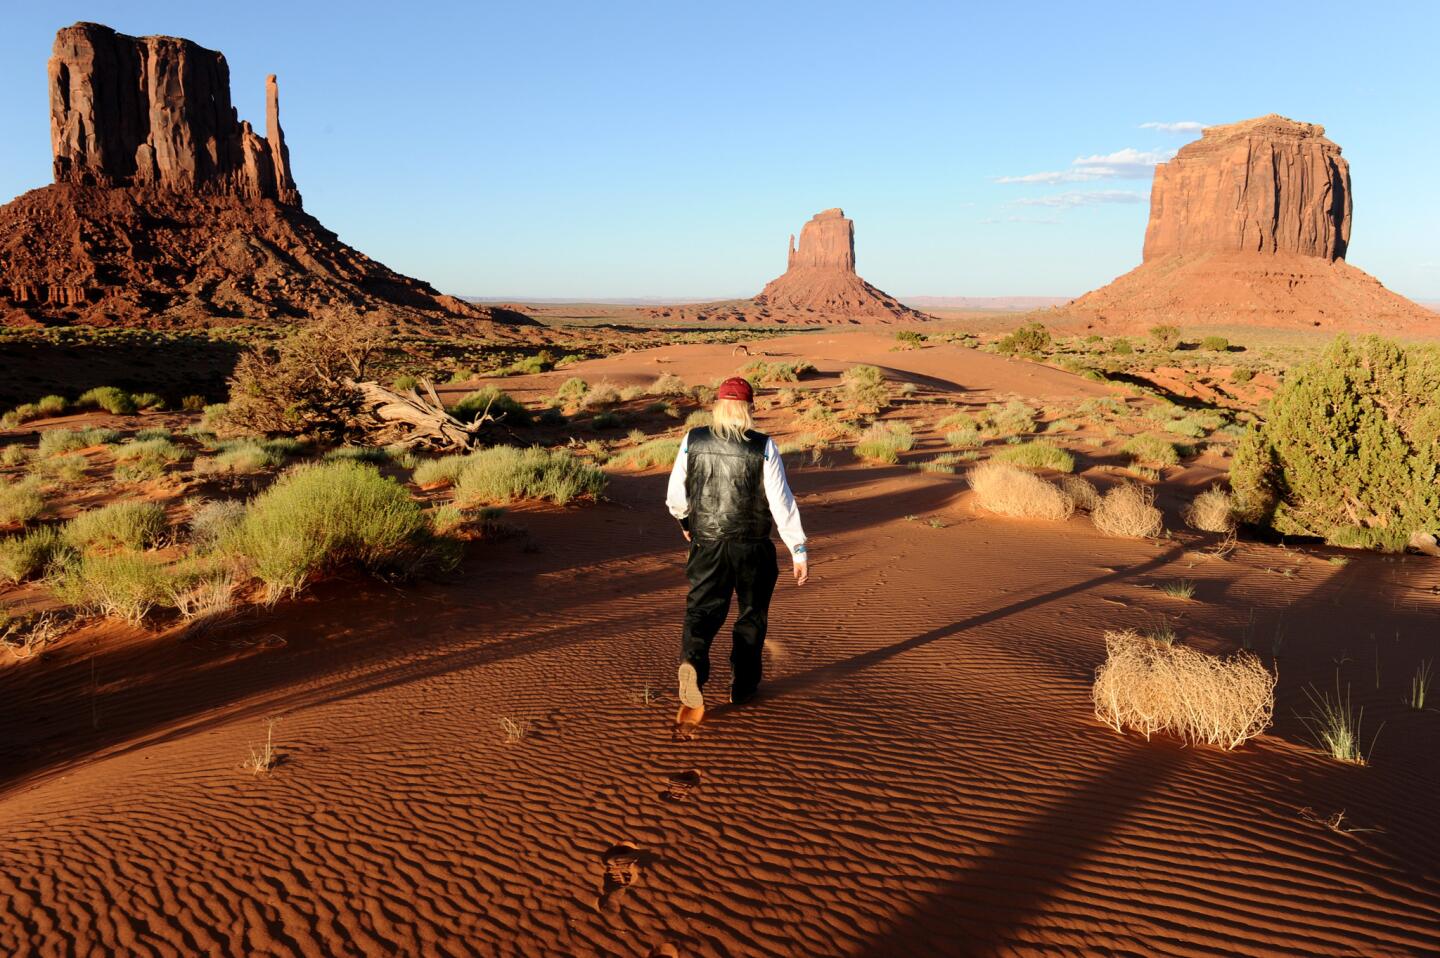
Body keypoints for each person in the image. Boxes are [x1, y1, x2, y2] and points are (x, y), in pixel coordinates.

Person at [664, 376, 808, 737]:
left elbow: (675, 493)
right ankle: (742, 688)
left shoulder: (693, 440)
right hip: (752, 547)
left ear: (718, 405)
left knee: (701, 610)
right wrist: (798, 548)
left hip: (707, 544)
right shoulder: (762, 446)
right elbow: (781, 502)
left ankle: (693, 664)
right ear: (749, 408)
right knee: (751, 615)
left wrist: (685, 522)